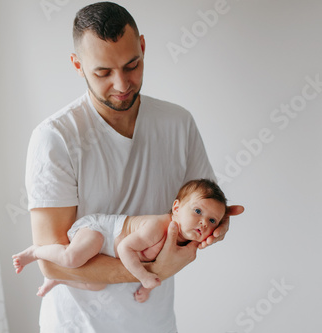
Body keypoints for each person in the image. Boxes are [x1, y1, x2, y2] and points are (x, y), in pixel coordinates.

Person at [25, 2, 244, 332]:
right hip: (78, 325)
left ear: (142, 47)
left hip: (155, 321)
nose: (122, 83)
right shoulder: (55, 138)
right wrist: (153, 269)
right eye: (103, 72)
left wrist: (217, 224)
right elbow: (51, 265)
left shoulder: (178, 124)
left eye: (132, 65)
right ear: (77, 65)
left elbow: (201, 208)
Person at [14, 179, 229, 303]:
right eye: (198, 211)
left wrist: (147, 286)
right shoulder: (158, 226)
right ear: (176, 208)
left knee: (96, 285)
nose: (203, 223)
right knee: (72, 258)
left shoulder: (181, 246)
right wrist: (145, 277)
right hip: (100, 231)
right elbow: (127, 248)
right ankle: (35, 252)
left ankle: (59, 279)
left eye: (212, 220)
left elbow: (158, 266)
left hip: (106, 251)